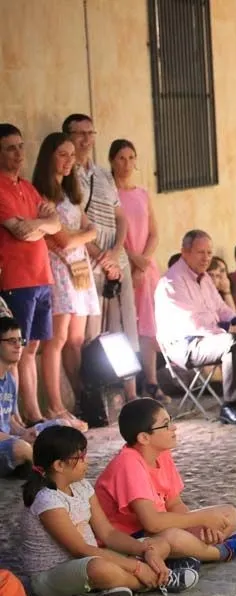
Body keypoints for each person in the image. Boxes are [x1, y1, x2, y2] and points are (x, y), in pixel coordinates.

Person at [19, 425, 199, 596]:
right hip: (54, 574)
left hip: (89, 558)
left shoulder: (82, 486)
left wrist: (144, 550)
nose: (86, 462)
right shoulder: (47, 501)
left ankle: (109, 588)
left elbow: (108, 533)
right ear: (59, 465)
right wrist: (136, 567)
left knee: (157, 544)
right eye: (80, 458)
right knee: (99, 569)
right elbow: (80, 550)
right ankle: (159, 580)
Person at [95, 398, 236, 564]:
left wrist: (204, 525)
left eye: (171, 421)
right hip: (129, 539)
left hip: (158, 528)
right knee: (173, 538)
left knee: (229, 513)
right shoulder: (128, 463)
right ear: (144, 437)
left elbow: (174, 504)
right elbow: (152, 523)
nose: (174, 427)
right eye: (166, 424)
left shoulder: (161, 453)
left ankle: (192, 551)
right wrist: (201, 518)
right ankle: (220, 552)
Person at [154, 230, 236, 427]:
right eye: (200, 252)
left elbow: (221, 308)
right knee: (233, 342)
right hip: (185, 345)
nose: (206, 258)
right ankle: (230, 406)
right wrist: (231, 329)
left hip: (209, 338)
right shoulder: (172, 282)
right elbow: (193, 323)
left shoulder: (203, 278)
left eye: (209, 253)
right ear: (185, 252)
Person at [63, 114, 139, 403]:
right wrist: (100, 256)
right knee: (94, 330)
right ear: (68, 136)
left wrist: (117, 251)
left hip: (114, 255)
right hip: (89, 258)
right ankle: (97, 396)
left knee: (125, 323)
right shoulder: (67, 176)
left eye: (89, 132)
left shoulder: (104, 175)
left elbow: (121, 218)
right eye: (78, 133)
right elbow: (73, 221)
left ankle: (131, 392)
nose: (85, 139)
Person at [33, 133, 99, 428]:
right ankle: (55, 406)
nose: (69, 160)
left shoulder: (70, 193)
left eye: (72, 155)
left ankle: (82, 397)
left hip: (80, 269)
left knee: (75, 339)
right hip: (59, 269)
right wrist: (79, 237)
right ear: (49, 157)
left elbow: (89, 230)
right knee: (56, 340)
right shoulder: (42, 195)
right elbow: (62, 240)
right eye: (63, 154)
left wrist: (79, 237)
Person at [0, 123, 61, 426]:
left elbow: (56, 224)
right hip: (17, 279)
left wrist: (36, 223)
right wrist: (41, 223)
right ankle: (15, 417)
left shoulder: (26, 186)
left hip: (41, 276)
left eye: (20, 146)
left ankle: (35, 413)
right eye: (10, 147)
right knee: (15, 349)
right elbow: (18, 231)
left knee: (33, 347)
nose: (19, 153)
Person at [110, 139, 169, 403]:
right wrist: (132, 260)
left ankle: (152, 381)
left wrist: (144, 260)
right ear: (112, 161)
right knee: (125, 326)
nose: (126, 164)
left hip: (146, 267)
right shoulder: (109, 193)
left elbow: (155, 232)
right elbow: (113, 234)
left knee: (148, 325)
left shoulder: (142, 193)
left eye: (131, 158)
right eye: (121, 158)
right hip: (123, 264)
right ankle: (127, 386)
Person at [0, 317, 34, 478]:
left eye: (20, 340)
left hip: (9, 440)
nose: (18, 346)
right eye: (11, 341)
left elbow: (9, 421)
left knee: (60, 426)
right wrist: (20, 439)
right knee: (21, 448)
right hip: (6, 444)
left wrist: (26, 432)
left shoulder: (10, 381)